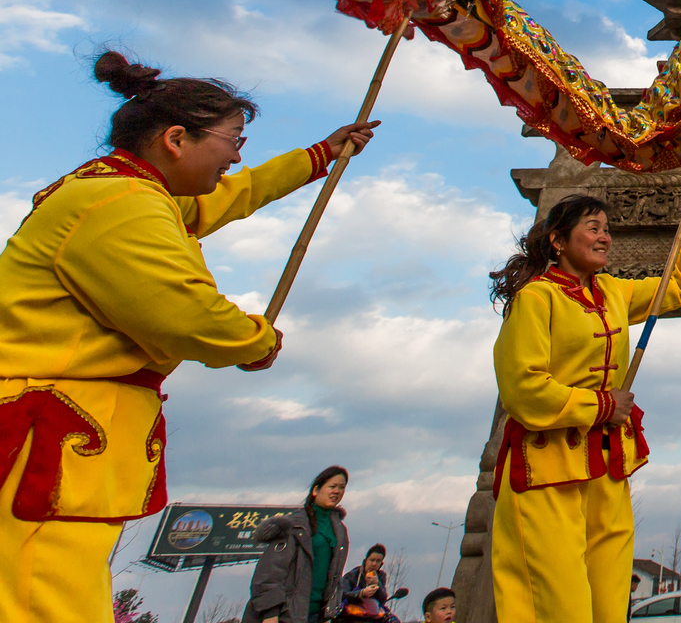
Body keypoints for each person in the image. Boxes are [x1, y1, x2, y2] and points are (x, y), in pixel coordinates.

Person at [0, 52, 377, 623]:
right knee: (43, 597)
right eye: (233, 139)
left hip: (67, 435)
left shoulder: (135, 194)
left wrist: (319, 155)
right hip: (48, 438)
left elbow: (235, 194)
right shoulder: (120, 204)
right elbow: (181, 310)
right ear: (177, 139)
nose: (235, 155)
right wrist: (255, 340)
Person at [487, 184, 681, 623]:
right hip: (547, 468)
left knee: (609, 601)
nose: (605, 237)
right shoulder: (535, 298)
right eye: (593, 228)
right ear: (558, 240)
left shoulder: (612, 293)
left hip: (606, 465)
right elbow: (522, 387)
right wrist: (603, 406)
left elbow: (677, 288)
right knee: (558, 602)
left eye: (607, 229)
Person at [243, 466, 352, 623]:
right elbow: (270, 573)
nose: (337, 491)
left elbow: (335, 578)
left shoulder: (340, 529)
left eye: (342, 488)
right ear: (315, 490)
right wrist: (270, 615)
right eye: (332, 486)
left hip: (315, 615)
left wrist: (330, 613)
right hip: (285, 615)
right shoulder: (294, 525)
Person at [339, 545, 402, 620]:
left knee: (393, 620)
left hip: (373, 612)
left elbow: (383, 599)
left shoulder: (381, 576)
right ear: (365, 561)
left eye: (378, 561)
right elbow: (343, 594)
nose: (374, 564)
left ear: (381, 564)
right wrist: (361, 593)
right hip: (352, 611)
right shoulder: (352, 575)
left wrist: (377, 584)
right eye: (372, 560)